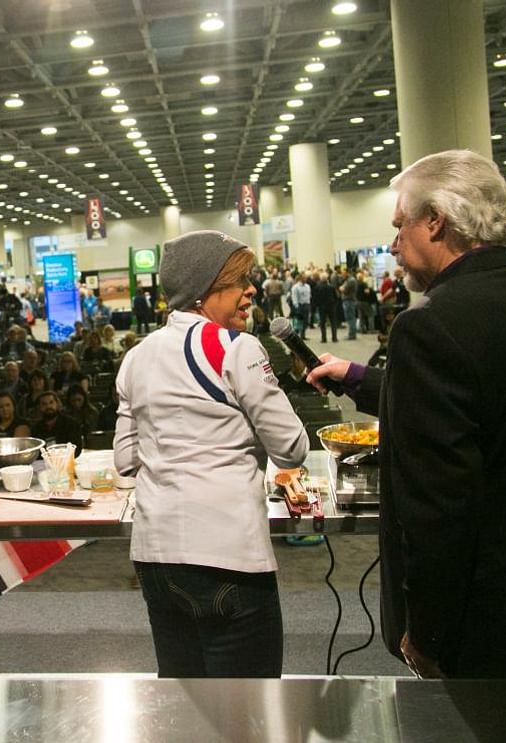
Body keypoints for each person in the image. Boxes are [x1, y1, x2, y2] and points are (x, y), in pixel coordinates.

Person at [307, 150, 506, 679]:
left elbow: (439, 508)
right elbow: (493, 401)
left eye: (400, 226)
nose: (394, 245)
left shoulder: (429, 325)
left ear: (435, 221)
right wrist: (358, 378)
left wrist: (428, 632)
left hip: (482, 622)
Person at [114, 230, 308, 678]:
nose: (251, 290)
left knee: (185, 705)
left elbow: (126, 461)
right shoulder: (236, 348)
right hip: (229, 558)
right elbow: (292, 449)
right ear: (204, 291)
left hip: (156, 558)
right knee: (248, 711)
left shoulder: (136, 357)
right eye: (240, 280)